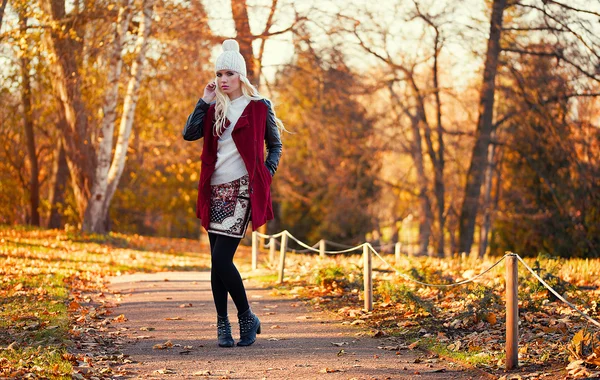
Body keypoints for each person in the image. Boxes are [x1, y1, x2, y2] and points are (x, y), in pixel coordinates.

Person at [182, 39, 283, 347]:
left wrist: (266, 174)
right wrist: (204, 100)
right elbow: (189, 134)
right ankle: (223, 326)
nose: (223, 79)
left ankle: (246, 316)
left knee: (223, 260)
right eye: (219, 73)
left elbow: (275, 145)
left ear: (241, 76)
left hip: (241, 190)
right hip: (213, 190)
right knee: (216, 262)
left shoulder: (259, 106)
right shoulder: (214, 108)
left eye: (229, 74)